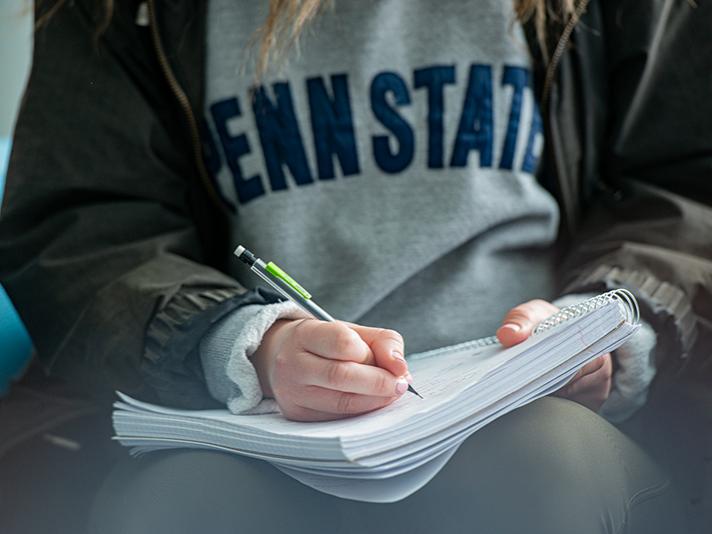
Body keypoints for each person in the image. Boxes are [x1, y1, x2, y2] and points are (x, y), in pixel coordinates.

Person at [1, 0, 710, 532]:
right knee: (178, 505)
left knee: (542, 467)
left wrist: (603, 332)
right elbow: (85, 225)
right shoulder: (119, 13)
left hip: (541, 411)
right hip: (255, 426)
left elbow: (685, 189)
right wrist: (249, 344)